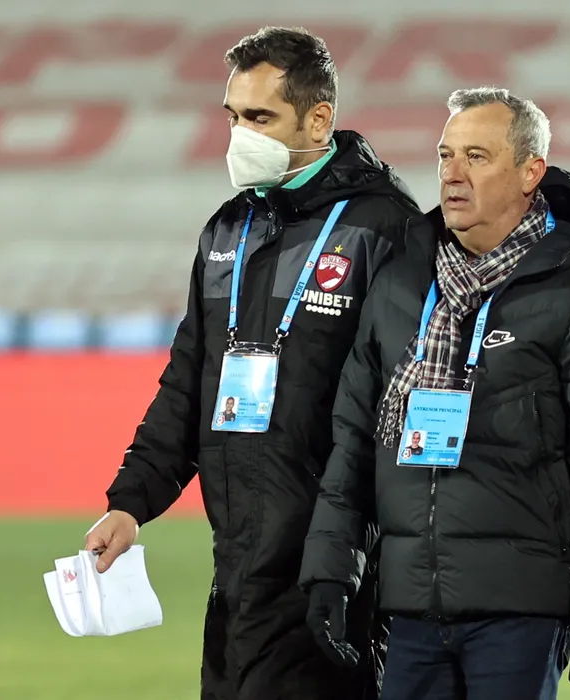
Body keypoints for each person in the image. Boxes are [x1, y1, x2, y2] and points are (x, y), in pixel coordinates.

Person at [84, 26, 421, 700]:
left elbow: (398, 404)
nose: (241, 135)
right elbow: (188, 381)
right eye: (233, 116)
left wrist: (348, 550)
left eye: (260, 118)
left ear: (318, 120)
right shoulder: (228, 229)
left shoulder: (385, 228)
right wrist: (130, 503)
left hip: (333, 567)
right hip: (238, 566)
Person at [298, 87, 570, 700]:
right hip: (408, 609)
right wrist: (331, 570)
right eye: (445, 155)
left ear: (530, 173)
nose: (452, 174)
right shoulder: (400, 286)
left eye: (477, 157)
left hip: (520, 612)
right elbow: (354, 442)